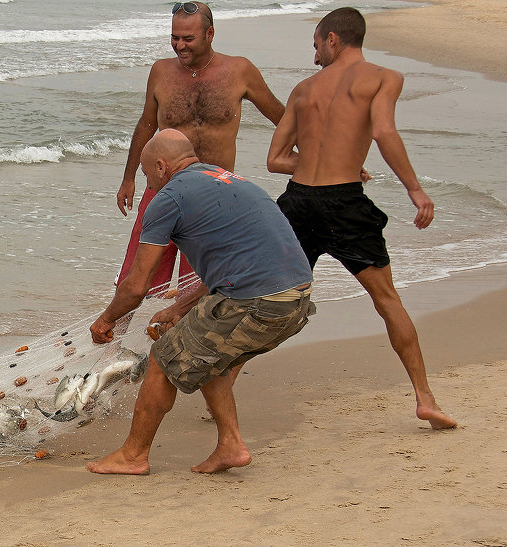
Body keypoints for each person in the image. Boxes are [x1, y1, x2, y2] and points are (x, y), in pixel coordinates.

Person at [266, 7, 456, 429]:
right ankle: (425, 399)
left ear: (333, 39)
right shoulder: (384, 77)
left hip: (297, 203)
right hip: (344, 204)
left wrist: (319, 158)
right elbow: (383, 131)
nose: (314, 57)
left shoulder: (301, 90)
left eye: (316, 46)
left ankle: (219, 383)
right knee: (387, 300)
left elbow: (276, 160)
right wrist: (415, 189)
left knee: (267, 299)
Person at [88, 129, 315, 475]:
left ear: (162, 167)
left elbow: (136, 286)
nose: (149, 185)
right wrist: (179, 308)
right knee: (210, 350)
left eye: (148, 176)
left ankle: (133, 456)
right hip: (296, 300)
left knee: (164, 356)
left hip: (259, 303)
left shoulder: (169, 199)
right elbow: (233, 266)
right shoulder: (230, 179)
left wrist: (105, 321)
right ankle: (230, 446)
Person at [114, 1, 286, 293]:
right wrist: (128, 178)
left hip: (214, 193)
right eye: (174, 37)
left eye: (188, 39)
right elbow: (146, 125)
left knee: (200, 283)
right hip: (163, 189)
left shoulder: (240, 71)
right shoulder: (160, 72)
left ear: (210, 34)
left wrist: (320, 155)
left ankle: (181, 336)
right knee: (138, 273)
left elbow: (282, 119)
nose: (179, 46)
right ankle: (115, 335)